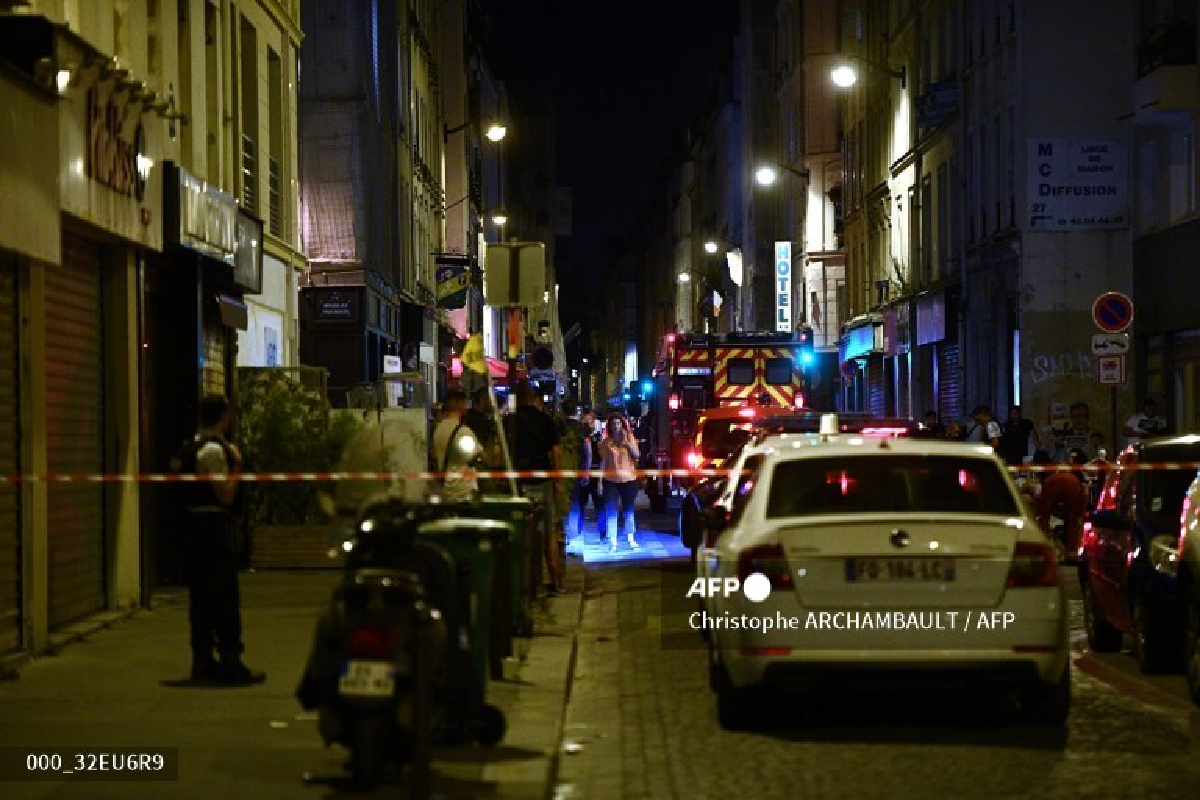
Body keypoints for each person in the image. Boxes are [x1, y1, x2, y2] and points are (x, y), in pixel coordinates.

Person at [181, 394, 264, 684]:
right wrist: (238, 466)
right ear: (224, 416)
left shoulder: (192, 446)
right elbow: (226, 494)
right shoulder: (214, 451)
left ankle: (202, 661)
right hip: (213, 528)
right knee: (224, 596)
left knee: (201, 598)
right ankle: (231, 662)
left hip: (194, 528)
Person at [505, 381, 563, 595]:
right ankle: (555, 583)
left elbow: (498, 451)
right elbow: (556, 452)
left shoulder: (509, 421)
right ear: (532, 398)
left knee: (522, 534)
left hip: (518, 482)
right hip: (544, 480)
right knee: (549, 533)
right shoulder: (545, 421)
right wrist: (557, 481)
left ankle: (525, 586)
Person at [1036, 449, 1090, 563]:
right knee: (1074, 521)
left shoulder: (1049, 468)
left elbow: (1041, 497)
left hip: (1052, 482)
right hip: (1072, 483)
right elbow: (1084, 489)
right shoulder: (1077, 470)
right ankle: (1072, 554)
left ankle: (1042, 551)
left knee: (1043, 517)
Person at [598, 413, 641, 552]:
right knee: (611, 511)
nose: (616, 426)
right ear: (609, 426)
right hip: (611, 481)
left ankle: (630, 538)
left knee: (628, 511)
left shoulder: (629, 438)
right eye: (613, 424)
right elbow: (603, 463)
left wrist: (627, 443)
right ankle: (613, 541)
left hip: (629, 480)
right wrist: (599, 482)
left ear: (622, 425)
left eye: (618, 423)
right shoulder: (606, 443)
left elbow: (637, 455)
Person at [430, 389, 481, 502]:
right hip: (462, 490)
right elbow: (477, 454)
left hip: (445, 489)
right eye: (465, 404)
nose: (467, 407)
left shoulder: (438, 429)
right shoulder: (463, 431)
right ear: (459, 405)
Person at [564, 406, 596, 544]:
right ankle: (572, 531)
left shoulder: (558, 426)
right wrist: (586, 472)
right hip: (577, 468)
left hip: (562, 470)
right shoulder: (582, 429)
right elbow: (588, 452)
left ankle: (564, 532)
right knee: (575, 502)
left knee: (563, 502)